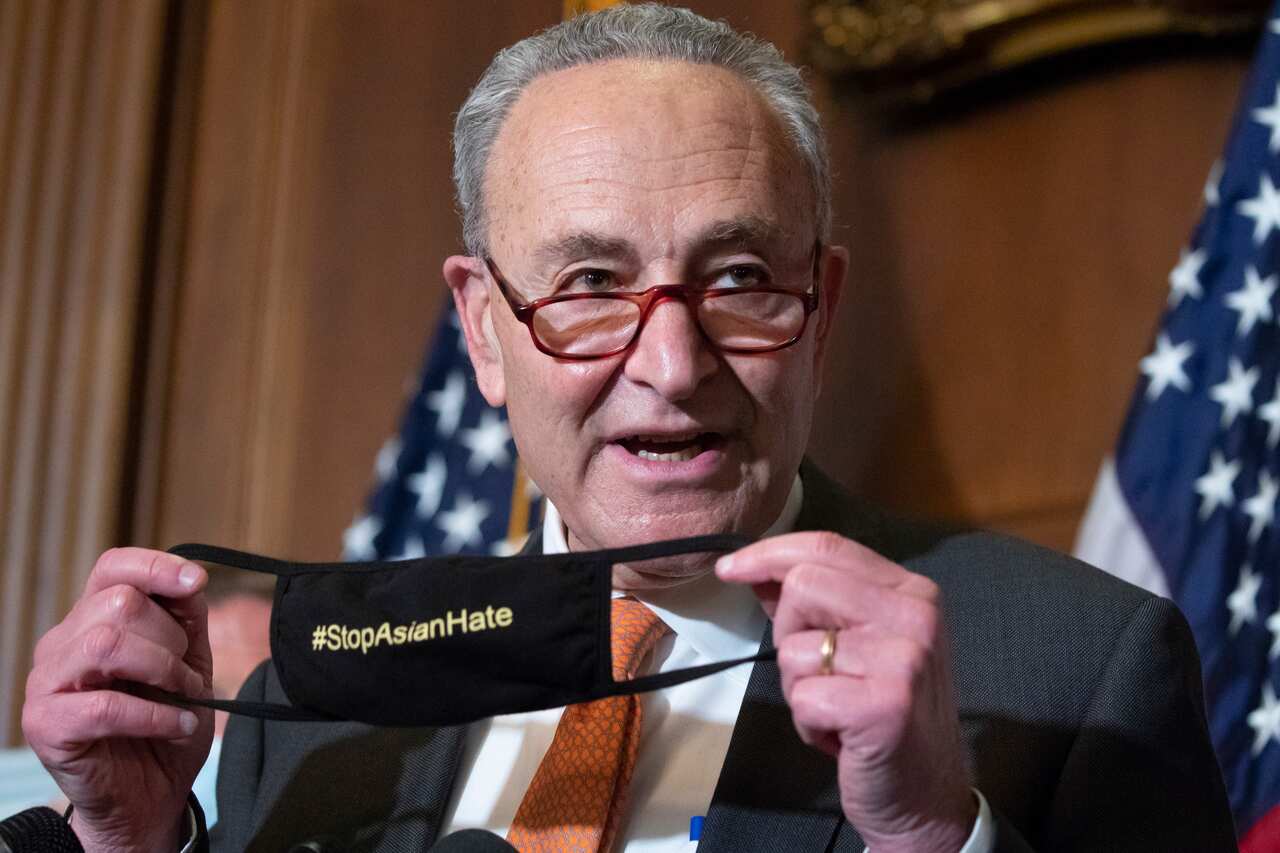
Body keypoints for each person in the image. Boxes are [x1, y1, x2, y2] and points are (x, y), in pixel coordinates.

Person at [20, 5, 1235, 852]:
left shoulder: (1076, 666)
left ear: (820, 313)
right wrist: (135, 845)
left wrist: (924, 835)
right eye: (591, 283)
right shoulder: (321, 700)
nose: (671, 365)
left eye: (741, 275)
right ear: (484, 331)